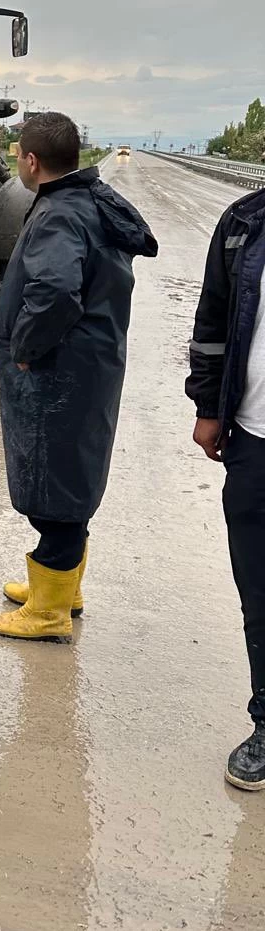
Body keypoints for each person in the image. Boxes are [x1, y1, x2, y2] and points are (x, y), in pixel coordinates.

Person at [0, 113, 157, 641]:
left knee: (53, 482)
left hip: (60, 370)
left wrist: (27, 348)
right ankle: (61, 587)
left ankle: (48, 611)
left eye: (18, 156)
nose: (17, 162)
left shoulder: (59, 214)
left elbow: (56, 291)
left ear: (31, 162)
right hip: (89, 364)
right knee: (71, 473)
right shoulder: (90, 200)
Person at [186, 183, 265, 789]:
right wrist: (209, 406)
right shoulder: (243, 223)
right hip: (255, 437)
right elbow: (212, 321)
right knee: (258, 589)